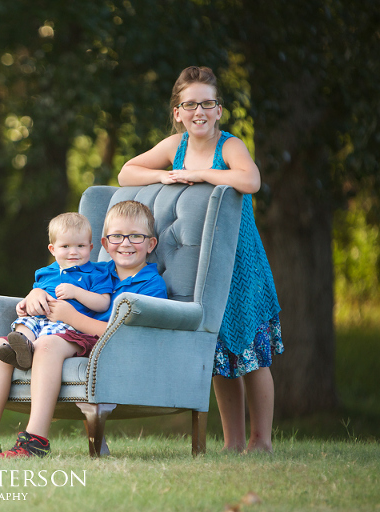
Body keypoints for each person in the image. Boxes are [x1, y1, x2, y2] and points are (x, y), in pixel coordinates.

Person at [118, 65, 282, 453]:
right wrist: (165, 177)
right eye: (190, 105)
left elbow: (251, 181)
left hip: (241, 263)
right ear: (177, 112)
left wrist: (207, 174)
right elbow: (127, 172)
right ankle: (232, 442)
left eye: (207, 103)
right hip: (204, 266)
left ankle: (261, 441)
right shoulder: (174, 147)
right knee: (219, 349)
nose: (199, 112)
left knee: (251, 350)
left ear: (219, 109)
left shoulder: (230, 146)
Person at [0, 201, 168, 459]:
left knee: (47, 344)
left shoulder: (152, 286)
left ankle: (34, 441)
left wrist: (72, 317)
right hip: (65, 331)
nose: (125, 243)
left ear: (151, 244)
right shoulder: (98, 270)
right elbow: (57, 280)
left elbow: (125, 335)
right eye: (117, 236)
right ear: (104, 244)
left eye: (136, 236)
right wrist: (35, 294)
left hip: (102, 344)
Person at [0, 212, 113, 373]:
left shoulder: (97, 273)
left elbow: (103, 303)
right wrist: (25, 305)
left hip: (65, 325)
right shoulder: (45, 272)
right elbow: (35, 297)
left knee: (46, 341)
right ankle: (22, 348)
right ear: (52, 249)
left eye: (80, 246)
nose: (73, 252)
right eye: (65, 246)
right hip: (38, 318)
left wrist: (76, 292)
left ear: (90, 247)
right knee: (24, 324)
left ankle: (28, 352)